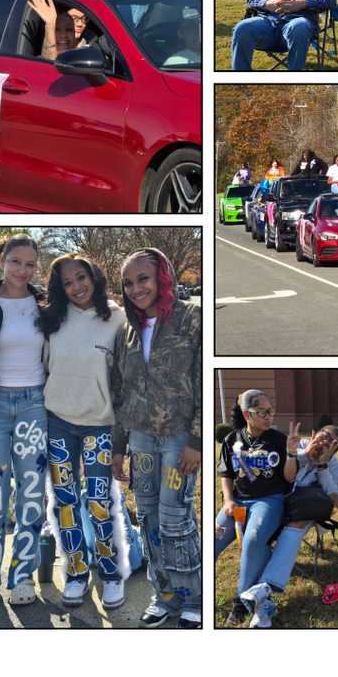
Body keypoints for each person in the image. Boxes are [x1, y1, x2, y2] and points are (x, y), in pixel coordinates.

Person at [111, 248, 201, 629]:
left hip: (180, 438)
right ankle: (162, 596)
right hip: (141, 439)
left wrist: (197, 438)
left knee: (175, 519)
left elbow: (203, 377)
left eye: (142, 279)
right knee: (147, 518)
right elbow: (120, 390)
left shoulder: (193, 317)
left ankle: (192, 597)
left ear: (161, 276)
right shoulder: (126, 330)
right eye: (128, 283)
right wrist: (118, 448)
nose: (135, 289)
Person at [40, 253, 128, 609]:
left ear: (94, 276)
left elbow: (122, 380)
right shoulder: (51, 318)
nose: (76, 287)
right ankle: (76, 574)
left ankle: (110, 575)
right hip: (58, 421)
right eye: (67, 282)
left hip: (99, 425)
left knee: (99, 502)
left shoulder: (117, 318)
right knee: (64, 503)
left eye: (81, 277)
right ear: (59, 288)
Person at [0, 235, 48, 607]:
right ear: (1, 258)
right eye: (15, 261)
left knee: (31, 495)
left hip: (35, 406)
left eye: (30, 264)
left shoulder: (45, 303)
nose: (22, 270)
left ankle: (23, 577)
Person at [234, 424, 338, 629]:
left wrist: (323, 467)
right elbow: (276, 473)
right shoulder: (299, 445)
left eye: (331, 442)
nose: (324, 442)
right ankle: (265, 599)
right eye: (323, 436)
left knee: (299, 521)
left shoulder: (335, 467)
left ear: (335, 448)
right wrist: (303, 454)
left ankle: (263, 588)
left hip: (304, 511)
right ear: (315, 433)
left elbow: (335, 498)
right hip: (273, 504)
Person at [215, 390, 290, 627]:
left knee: (252, 540)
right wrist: (228, 500)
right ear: (247, 414)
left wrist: (292, 452)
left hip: (269, 501)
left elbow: (288, 478)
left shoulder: (278, 439)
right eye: (262, 412)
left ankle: (242, 602)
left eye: (270, 411)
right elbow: (226, 474)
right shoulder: (231, 440)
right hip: (237, 501)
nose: (268, 416)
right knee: (211, 540)